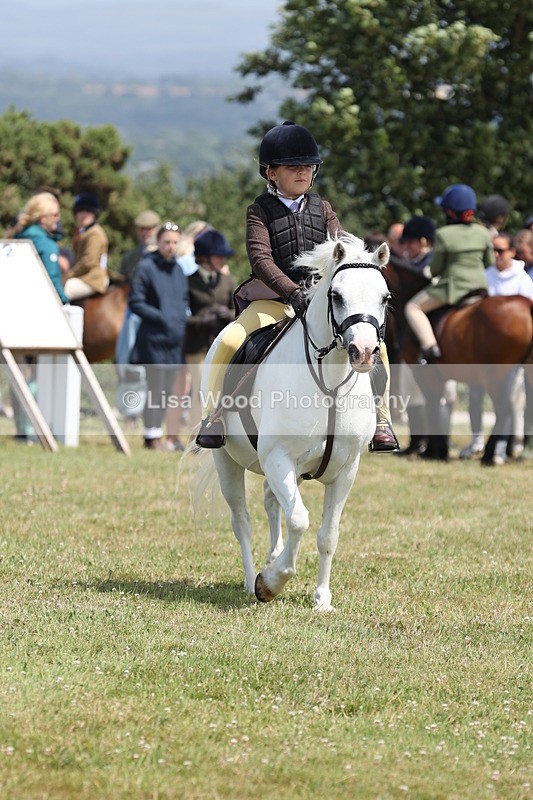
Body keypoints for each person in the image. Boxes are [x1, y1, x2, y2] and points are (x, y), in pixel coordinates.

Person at [195, 120, 399, 451]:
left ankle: (380, 418)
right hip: (273, 300)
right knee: (230, 339)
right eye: (293, 167)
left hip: (320, 302)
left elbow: (344, 253)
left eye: (308, 166)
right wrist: (292, 292)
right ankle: (214, 416)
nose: (303, 172)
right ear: (271, 173)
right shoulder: (259, 211)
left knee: (378, 346)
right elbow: (261, 261)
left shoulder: (324, 208)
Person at [460, 233, 533, 462]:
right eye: (493, 250)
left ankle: (501, 447)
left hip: (509, 351)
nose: (496, 255)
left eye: (500, 250)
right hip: (483, 351)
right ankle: (476, 440)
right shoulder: (485, 276)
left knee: (507, 398)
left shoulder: (522, 279)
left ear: (512, 252)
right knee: (475, 395)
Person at [404, 183, 493, 364]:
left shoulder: (444, 234)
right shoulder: (483, 233)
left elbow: (435, 269)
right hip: (480, 287)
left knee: (413, 308)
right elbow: (489, 263)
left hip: (453, 289)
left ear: (450, 213)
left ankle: (430, 348)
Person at [128, 221, 189, 450]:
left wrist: (179, 321)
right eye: (166, 242)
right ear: (158, 242)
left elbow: (183, 301)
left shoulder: (178, 269)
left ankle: (166, 436)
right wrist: (161, 316)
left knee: (171, 391)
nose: (171, 246)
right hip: (153, 339)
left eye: (175, 242)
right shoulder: (145, 267)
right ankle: (151, 436)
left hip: (175, 340)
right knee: (155, 389)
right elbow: (136, 302)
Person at [183, 228, 235, 435]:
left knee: (219, 391)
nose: (222, 259)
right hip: (197, 345)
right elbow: (181, 316)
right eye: (218, 256)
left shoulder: (228, 281)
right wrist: (200, 320)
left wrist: (226, 314)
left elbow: (238, 311)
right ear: (204, 257)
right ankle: (195, 435)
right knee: (201, 390)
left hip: (221, 344)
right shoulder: (187, 282)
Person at [12, 191, 68, 304]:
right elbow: (52, 281)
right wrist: (64, 301)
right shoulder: (46, 244)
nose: (58, 219)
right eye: (55, 215)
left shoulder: (20, 235)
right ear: (43, 218)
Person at [63, 192, 109, 300]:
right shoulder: (85, 232)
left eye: (88, 211)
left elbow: (88, 261)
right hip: (87, 276)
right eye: (80, 211)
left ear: (94, 214)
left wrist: (69, 275)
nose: (84, 215)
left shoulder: (94, 234)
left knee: (61, 291)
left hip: (92, 278)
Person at [119, 209, 161, 281]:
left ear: (157, 230)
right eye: (142, 229)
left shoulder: (166, 256)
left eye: (149, 228)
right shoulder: (128, 259)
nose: (145, 233)